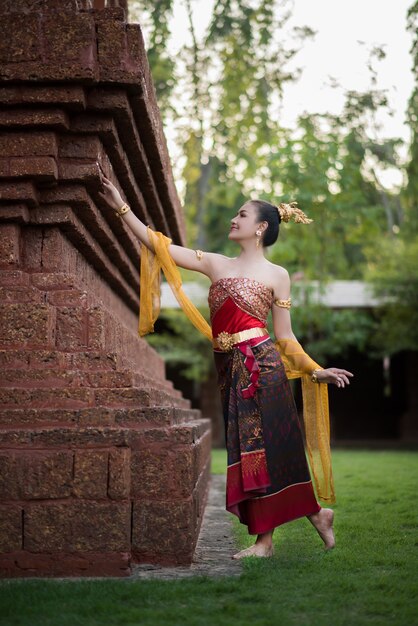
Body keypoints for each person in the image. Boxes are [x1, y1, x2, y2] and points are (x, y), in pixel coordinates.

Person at [99, 172, 353, 559]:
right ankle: (316, 515)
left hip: (263, 367)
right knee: (249, 447)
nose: (234, 219)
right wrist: (120, 205)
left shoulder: (278, 276)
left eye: (242, 214)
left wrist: (314, 369)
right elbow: (158, 245)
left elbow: (285, 337)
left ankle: (269, 541)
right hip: (229, 368)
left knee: (271, 447)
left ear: (261, 227)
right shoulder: (216, 263)